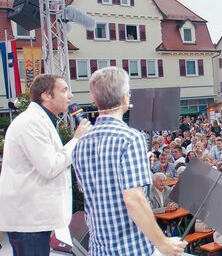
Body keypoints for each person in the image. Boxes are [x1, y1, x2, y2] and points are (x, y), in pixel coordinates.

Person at [72, 67, 186, 255]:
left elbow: (93, 193)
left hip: (98, 248)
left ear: (95, 100)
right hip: (131, 248)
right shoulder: (130, 138)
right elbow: (134, 199)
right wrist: (162, 243)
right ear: (125, 97)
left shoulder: (81, 142)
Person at [0, 74, 91, 255]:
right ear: (46, 95)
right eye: (64, 90)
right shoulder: (31, 123)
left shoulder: (40, 120)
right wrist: (76, 140)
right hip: (29, 220)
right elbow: (49, 167)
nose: (70, 96)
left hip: (34, 217)